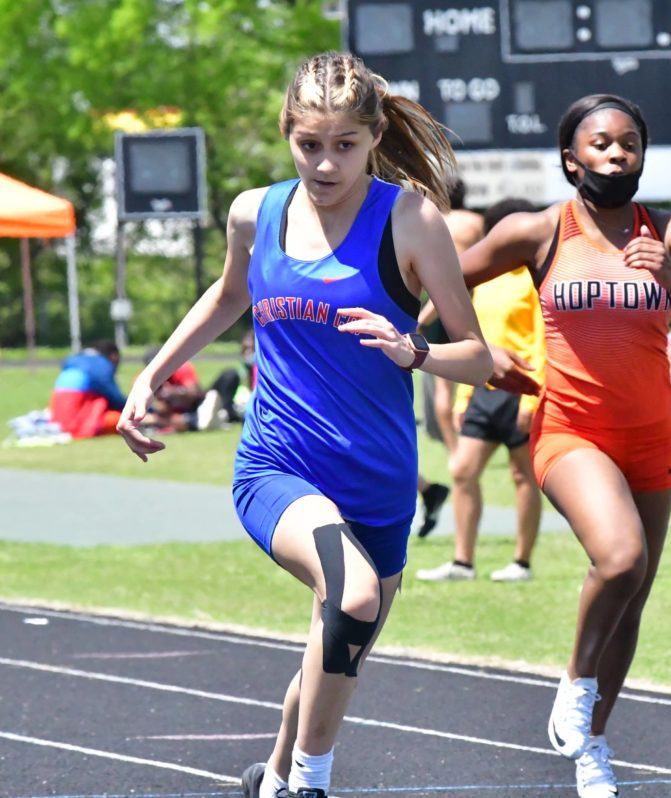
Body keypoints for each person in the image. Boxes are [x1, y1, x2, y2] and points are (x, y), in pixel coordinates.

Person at [116, 51, 492, 798]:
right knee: (351, 601)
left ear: (375, 136)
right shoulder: (254, 213)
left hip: (379, 484)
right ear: (286, 131)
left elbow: (479, 358)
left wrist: (414, 351)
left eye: (344, 145)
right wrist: (151, 373)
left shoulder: (412, 221)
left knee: (332, 657)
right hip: (279, 466)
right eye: (308, 144)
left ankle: (275, 778)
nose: (325, 164)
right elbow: (229, 297)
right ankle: (311, 786)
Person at [459, 94, 671, 797]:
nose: (617, 154)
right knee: (620, 559)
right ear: (571, 159)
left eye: (629, 143)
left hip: (650, 439)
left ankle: (592, 749)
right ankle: (575, 686)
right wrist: (477, 351)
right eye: (602, 143)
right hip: (570, 430)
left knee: (631, 598)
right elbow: (436, 281)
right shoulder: (538, 230)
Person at [416, 198, 545, 583]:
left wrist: (531, 400)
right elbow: (475, 342)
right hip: (484, 389)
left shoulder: (534, 278)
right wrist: (463, 397)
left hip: (523, 388)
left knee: (523, 476)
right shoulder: (486, 279)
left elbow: (542, 341)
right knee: (463, 471)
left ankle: (522, 563)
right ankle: (462, 562)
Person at [411, 178, 486, 538]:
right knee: (475, 374)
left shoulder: (431, 220)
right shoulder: (475, 223)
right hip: (471, 304)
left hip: (437, 304)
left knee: (441, 386)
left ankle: (455, 451)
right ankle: (467, 445)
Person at [49, 340, 127, 438]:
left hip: (58, 415)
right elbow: (115, 397)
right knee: (121, 420)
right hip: (77, 416)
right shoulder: (100, 364)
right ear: (113, 356)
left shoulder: (74, 360)